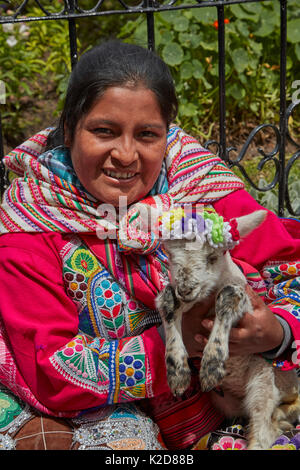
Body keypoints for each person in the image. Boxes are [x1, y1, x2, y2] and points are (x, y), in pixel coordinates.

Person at [0, 40, 299, 451]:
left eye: (147, 135)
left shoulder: (198, 186)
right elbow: (53, 367)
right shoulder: (32, 226)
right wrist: (178, 339)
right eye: (103, 131)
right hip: (112, 415)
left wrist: (277, 330)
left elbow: (288, 268)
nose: (125, 155)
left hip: (255, 388)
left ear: (168, 134)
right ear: (70, 128)